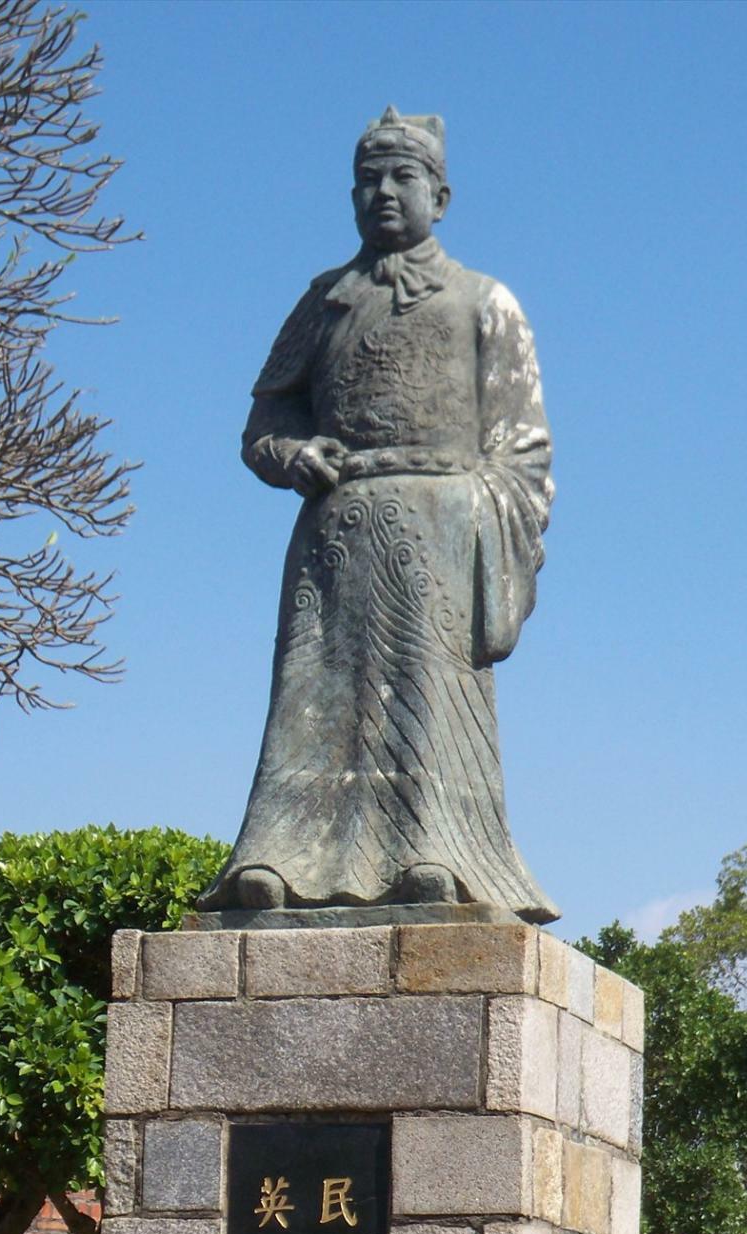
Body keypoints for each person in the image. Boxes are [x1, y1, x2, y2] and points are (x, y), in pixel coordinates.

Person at [199, 108, 557, 919]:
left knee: (426, 696)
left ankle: (435, 853)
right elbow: (264, 423)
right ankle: (278, 858)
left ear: (441, 192)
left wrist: (484, 531)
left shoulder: (482, 302)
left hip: (443, 532)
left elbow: (524, 448)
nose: (383, 193)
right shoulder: (324, 301)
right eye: (368, 180)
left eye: (402, 177)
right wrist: (293, 456)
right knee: (309, 695)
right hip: (336, 534)